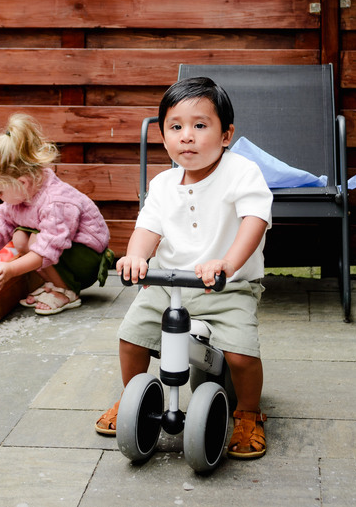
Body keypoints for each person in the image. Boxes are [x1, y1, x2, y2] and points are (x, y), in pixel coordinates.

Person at [95, 77, 272, 460]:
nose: (186, 137)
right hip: (168, 282)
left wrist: (227, 263)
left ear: (226, 135)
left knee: (241, 354)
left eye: (200, 125)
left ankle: (248, 411)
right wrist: (137, 256)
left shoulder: (242, 173)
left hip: (228, 284)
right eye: (176, 127)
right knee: (132, 336)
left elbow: (254, 221)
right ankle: (132, 398)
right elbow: (148, 227)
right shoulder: (162, 183)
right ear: (164, 137)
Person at [0, 113, 114, 315]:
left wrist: (11, 269)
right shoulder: (21, 196)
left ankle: (67, 291)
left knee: (34, 239)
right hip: (63, 254)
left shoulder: (56, 202)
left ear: (22, 182)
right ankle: (55, 284)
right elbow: (0, 224)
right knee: (20, 237)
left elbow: (47, 249)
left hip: (88, 260)